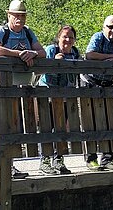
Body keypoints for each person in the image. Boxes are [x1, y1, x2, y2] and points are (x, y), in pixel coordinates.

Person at [0, 0, 46, 179]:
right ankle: (5, 166)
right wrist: (19, 54)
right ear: (9, 16)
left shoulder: (28, 33)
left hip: (23, 87)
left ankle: (11, 165)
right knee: (4, 124)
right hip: (2, 87)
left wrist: (33, 53)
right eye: (16, 16)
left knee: (17, 125)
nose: (20, 19)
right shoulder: (1, 31)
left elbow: (42, 52)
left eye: (22, 15)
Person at [82, 15, 113, 172]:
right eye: (110, 27)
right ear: (104, 27)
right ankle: (91, 160)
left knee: (111, 122)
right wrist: (110, 57)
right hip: (90, 82)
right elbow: (89, 54)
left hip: (108, 84)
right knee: (90, 123)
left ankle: (107, 159)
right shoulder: (98, 37)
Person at [38, 25, 80, 174]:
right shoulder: (51, 50)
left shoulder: (75, 53)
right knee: (46, 128)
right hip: (48, 95)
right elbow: (43, 72)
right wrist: (55, 63)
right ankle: (45, 161)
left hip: (65, 97)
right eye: (64, 36)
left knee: (62, 128)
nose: (67, 40)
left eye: (71, 37)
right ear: (58, 38)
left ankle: (59, 160)